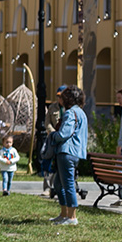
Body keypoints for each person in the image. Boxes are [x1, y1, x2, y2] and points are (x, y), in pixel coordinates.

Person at [48, 84, 88, 226]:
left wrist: (53, 136)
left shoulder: (70, 113)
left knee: (68, 184)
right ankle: (64, 214)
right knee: (58, 183)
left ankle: (71, 218)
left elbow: (64, 134)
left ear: (68, 99)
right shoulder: (81, 113)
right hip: (75, 152)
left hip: (67, 151)